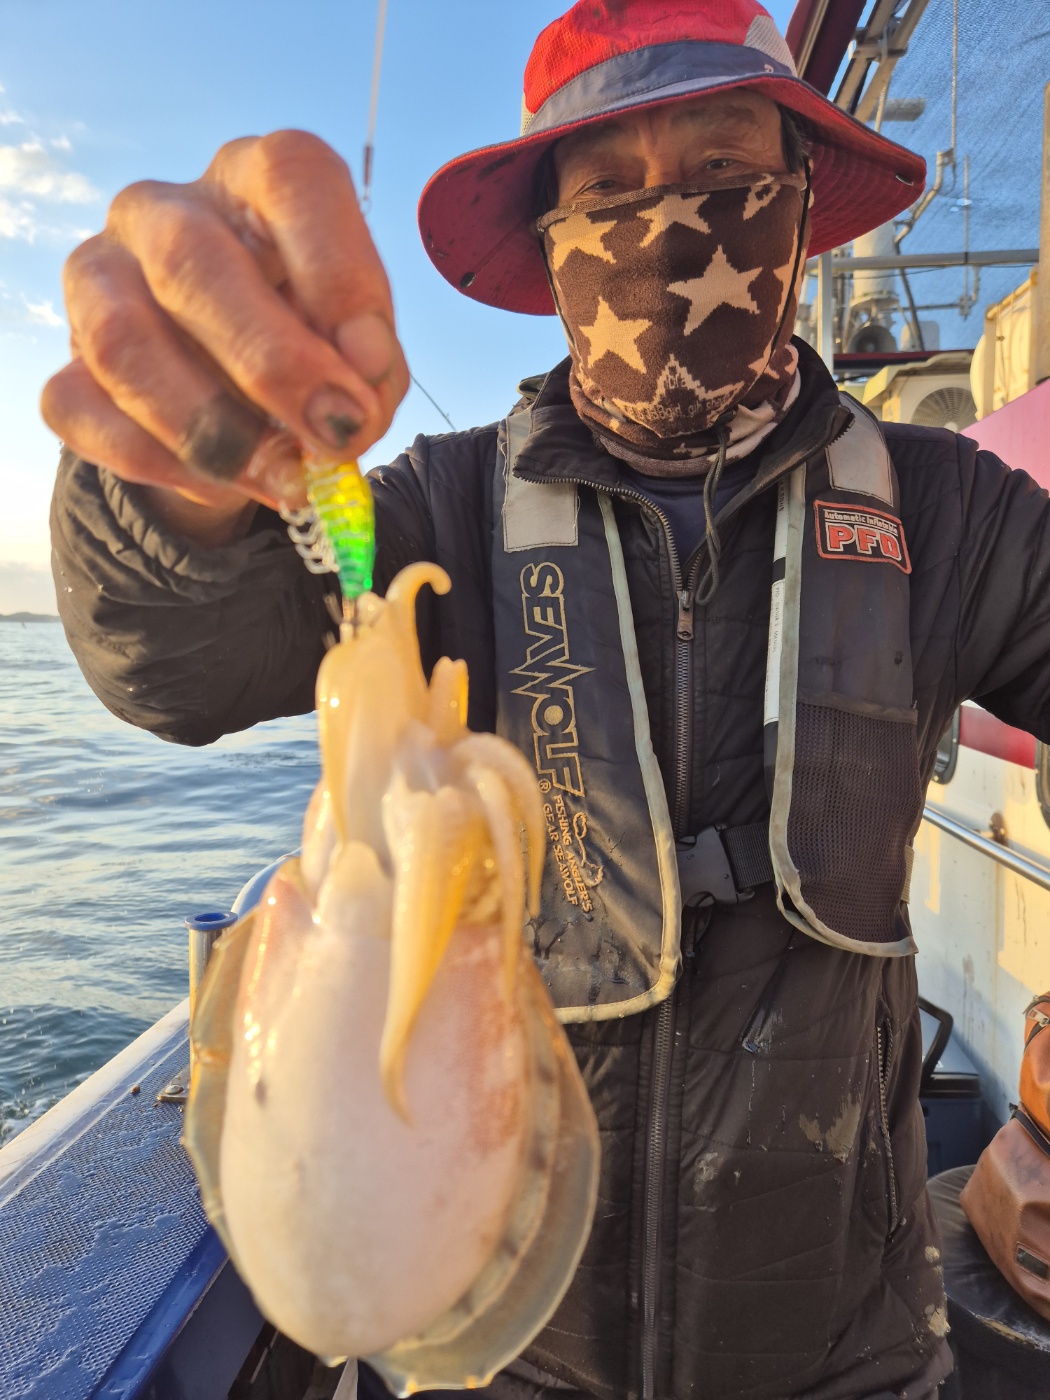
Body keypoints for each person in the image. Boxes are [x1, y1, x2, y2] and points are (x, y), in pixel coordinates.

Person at [42, 2, 1050, 1396]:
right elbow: (180, 658)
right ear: (553, 248)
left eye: (723, 169)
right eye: (610, 190)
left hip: (845, 1345)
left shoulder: (953, 514)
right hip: (514, 1356)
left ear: (801, 200)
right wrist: (176, 465)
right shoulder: (432, 507)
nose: (670, 224)